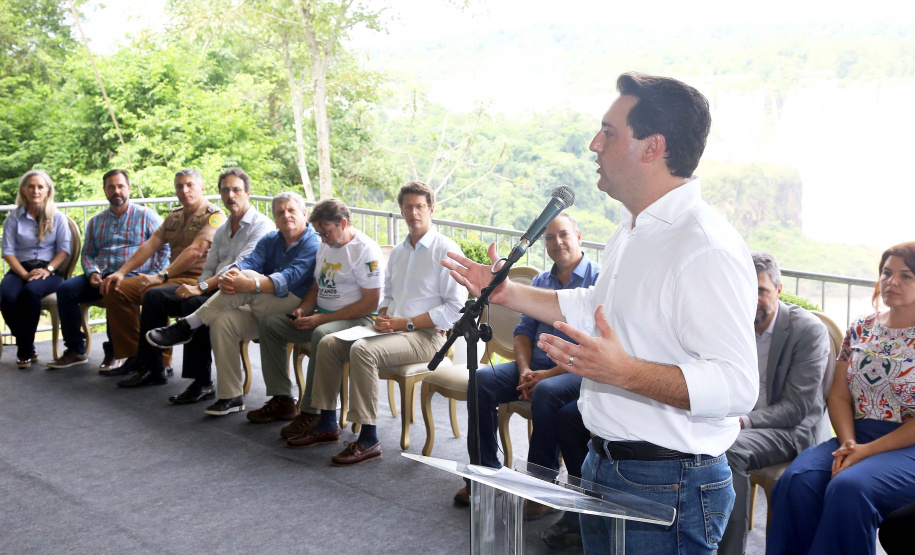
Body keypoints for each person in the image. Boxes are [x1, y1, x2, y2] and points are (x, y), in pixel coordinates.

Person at [443, 72, 758, 554]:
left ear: (653, 147)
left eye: (609, 133)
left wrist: (626, 373)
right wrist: (506, 293)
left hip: (667, 478)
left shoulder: (703, 246)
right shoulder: (632, 229)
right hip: (606, 463)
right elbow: (593, 307)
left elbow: (737, 386)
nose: (594, 144)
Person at [292, 181, 465, 466]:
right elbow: (389, 295)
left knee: (363, 350)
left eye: (419, 206)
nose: (413, 212)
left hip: (427, 336)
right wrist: (384, 316)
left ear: (431, 209)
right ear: (401, 210)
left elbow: (454, 309)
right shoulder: (398, 252)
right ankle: (325, 422)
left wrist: (404, 323)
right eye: (407, 207)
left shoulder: (446, 250)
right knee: (329, 342)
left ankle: (369, 438)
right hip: (395, 328)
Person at [766, 242, 915, 555]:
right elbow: (838, 393)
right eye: (887, 273)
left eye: (906, 276)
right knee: (797, 481)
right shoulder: (861, 328)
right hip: (856, 437)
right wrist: (849, 443)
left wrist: (864, 452)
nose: (892, 282)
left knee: (850, 488)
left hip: (907, 446)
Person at [453, 213, 599, 512]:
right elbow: (523, 333)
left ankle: (540, 489)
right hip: (534, 367)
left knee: (547, 392)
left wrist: (546, 376)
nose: (557, 242)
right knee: (481, 381)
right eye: (549, 237)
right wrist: (525, 371)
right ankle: (485, 475)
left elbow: (594, 344)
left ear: (579, 236)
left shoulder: (599, 279)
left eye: (564, 235)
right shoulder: (542, 281)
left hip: (578, 370)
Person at [145, 192, 319, 416]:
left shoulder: (312, 242)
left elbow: (289, 278)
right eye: (280, 212)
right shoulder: (270, 240)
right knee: (222, 320)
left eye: (291, 210)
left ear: (304, 213)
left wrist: (248, 283)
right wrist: (232, 275)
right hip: (265, 306)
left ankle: (187, 326)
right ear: (275, 218)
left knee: (245, 276)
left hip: (296, 307)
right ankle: (231, 396)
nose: (286, 215)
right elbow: (247, 262)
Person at [123, 168, 272, 401]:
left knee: (193, 303)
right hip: (211, 287)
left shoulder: (261, 226)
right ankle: (152, 368)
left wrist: (200, 288)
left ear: (248, 193)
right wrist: (201, 284)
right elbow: (210, 266)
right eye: (225, 190)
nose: (230, 195)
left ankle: (201, 382)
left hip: (241, 293)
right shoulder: (223, 228)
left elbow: (241, 266)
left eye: (236, 190)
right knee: (154, 297)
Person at [719, 251, 832, 555]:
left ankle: (729, 551)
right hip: (739, 419)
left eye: (761, 290)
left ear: (779, 290)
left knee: (728, 448)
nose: (752, 298)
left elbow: (797, 408)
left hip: (791, 428)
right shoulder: (732, 325)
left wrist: (740, 422)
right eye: (745, 288)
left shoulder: (807, 331)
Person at [250, 198, 383, 430]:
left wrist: (322, 318)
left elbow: (370, 302)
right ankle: (282, 399)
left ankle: (313, 411)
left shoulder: (365, 250)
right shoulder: (327, 245)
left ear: (342, 223)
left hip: (359, 321)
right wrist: (303, 309)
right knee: (270, 324)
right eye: (319, 233)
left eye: (326, 232)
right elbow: (316, 285)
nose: (322, 238)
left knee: (321, 333)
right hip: (324, 315)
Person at [100, 168, 224, 382]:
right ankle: (136, 357)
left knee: (153, 292)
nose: (184, 190)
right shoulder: (174, 216)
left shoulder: (213, 216)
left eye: (190, 185)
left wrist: (162, 275)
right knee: (115, 288)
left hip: (197, 280)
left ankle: (157, 364)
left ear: (202, 188)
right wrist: (120, 273)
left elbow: (195, 252)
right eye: (179, 186)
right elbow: (150, 246)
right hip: (172, 276)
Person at [45, 169, 167, 371]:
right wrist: (92, 273)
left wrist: (155, 273)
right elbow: (87, 253)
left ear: (129, 188)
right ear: (104, 190)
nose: (116, 190)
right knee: (65, 289)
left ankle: (114, 352)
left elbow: (166, 248)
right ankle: (75, 350)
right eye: (111, 187)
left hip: (133, 277)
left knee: (114, 288)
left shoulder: (147, 216)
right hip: (101, 275)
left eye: (120, 186)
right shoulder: (96, 221)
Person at [1, 170, 72, 369]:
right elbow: (8, 252)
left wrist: (47, 269)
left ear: (48, 191)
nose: (35, 190)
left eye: (40, 186)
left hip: (49, 272)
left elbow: (64, 251)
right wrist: (24, 274)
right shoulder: (13, 219)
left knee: (30, 292)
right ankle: (27, 342)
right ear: (23, 191)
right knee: (6, 295)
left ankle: (24, 351)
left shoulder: (58, 218)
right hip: (20, 269)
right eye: (31, 186)